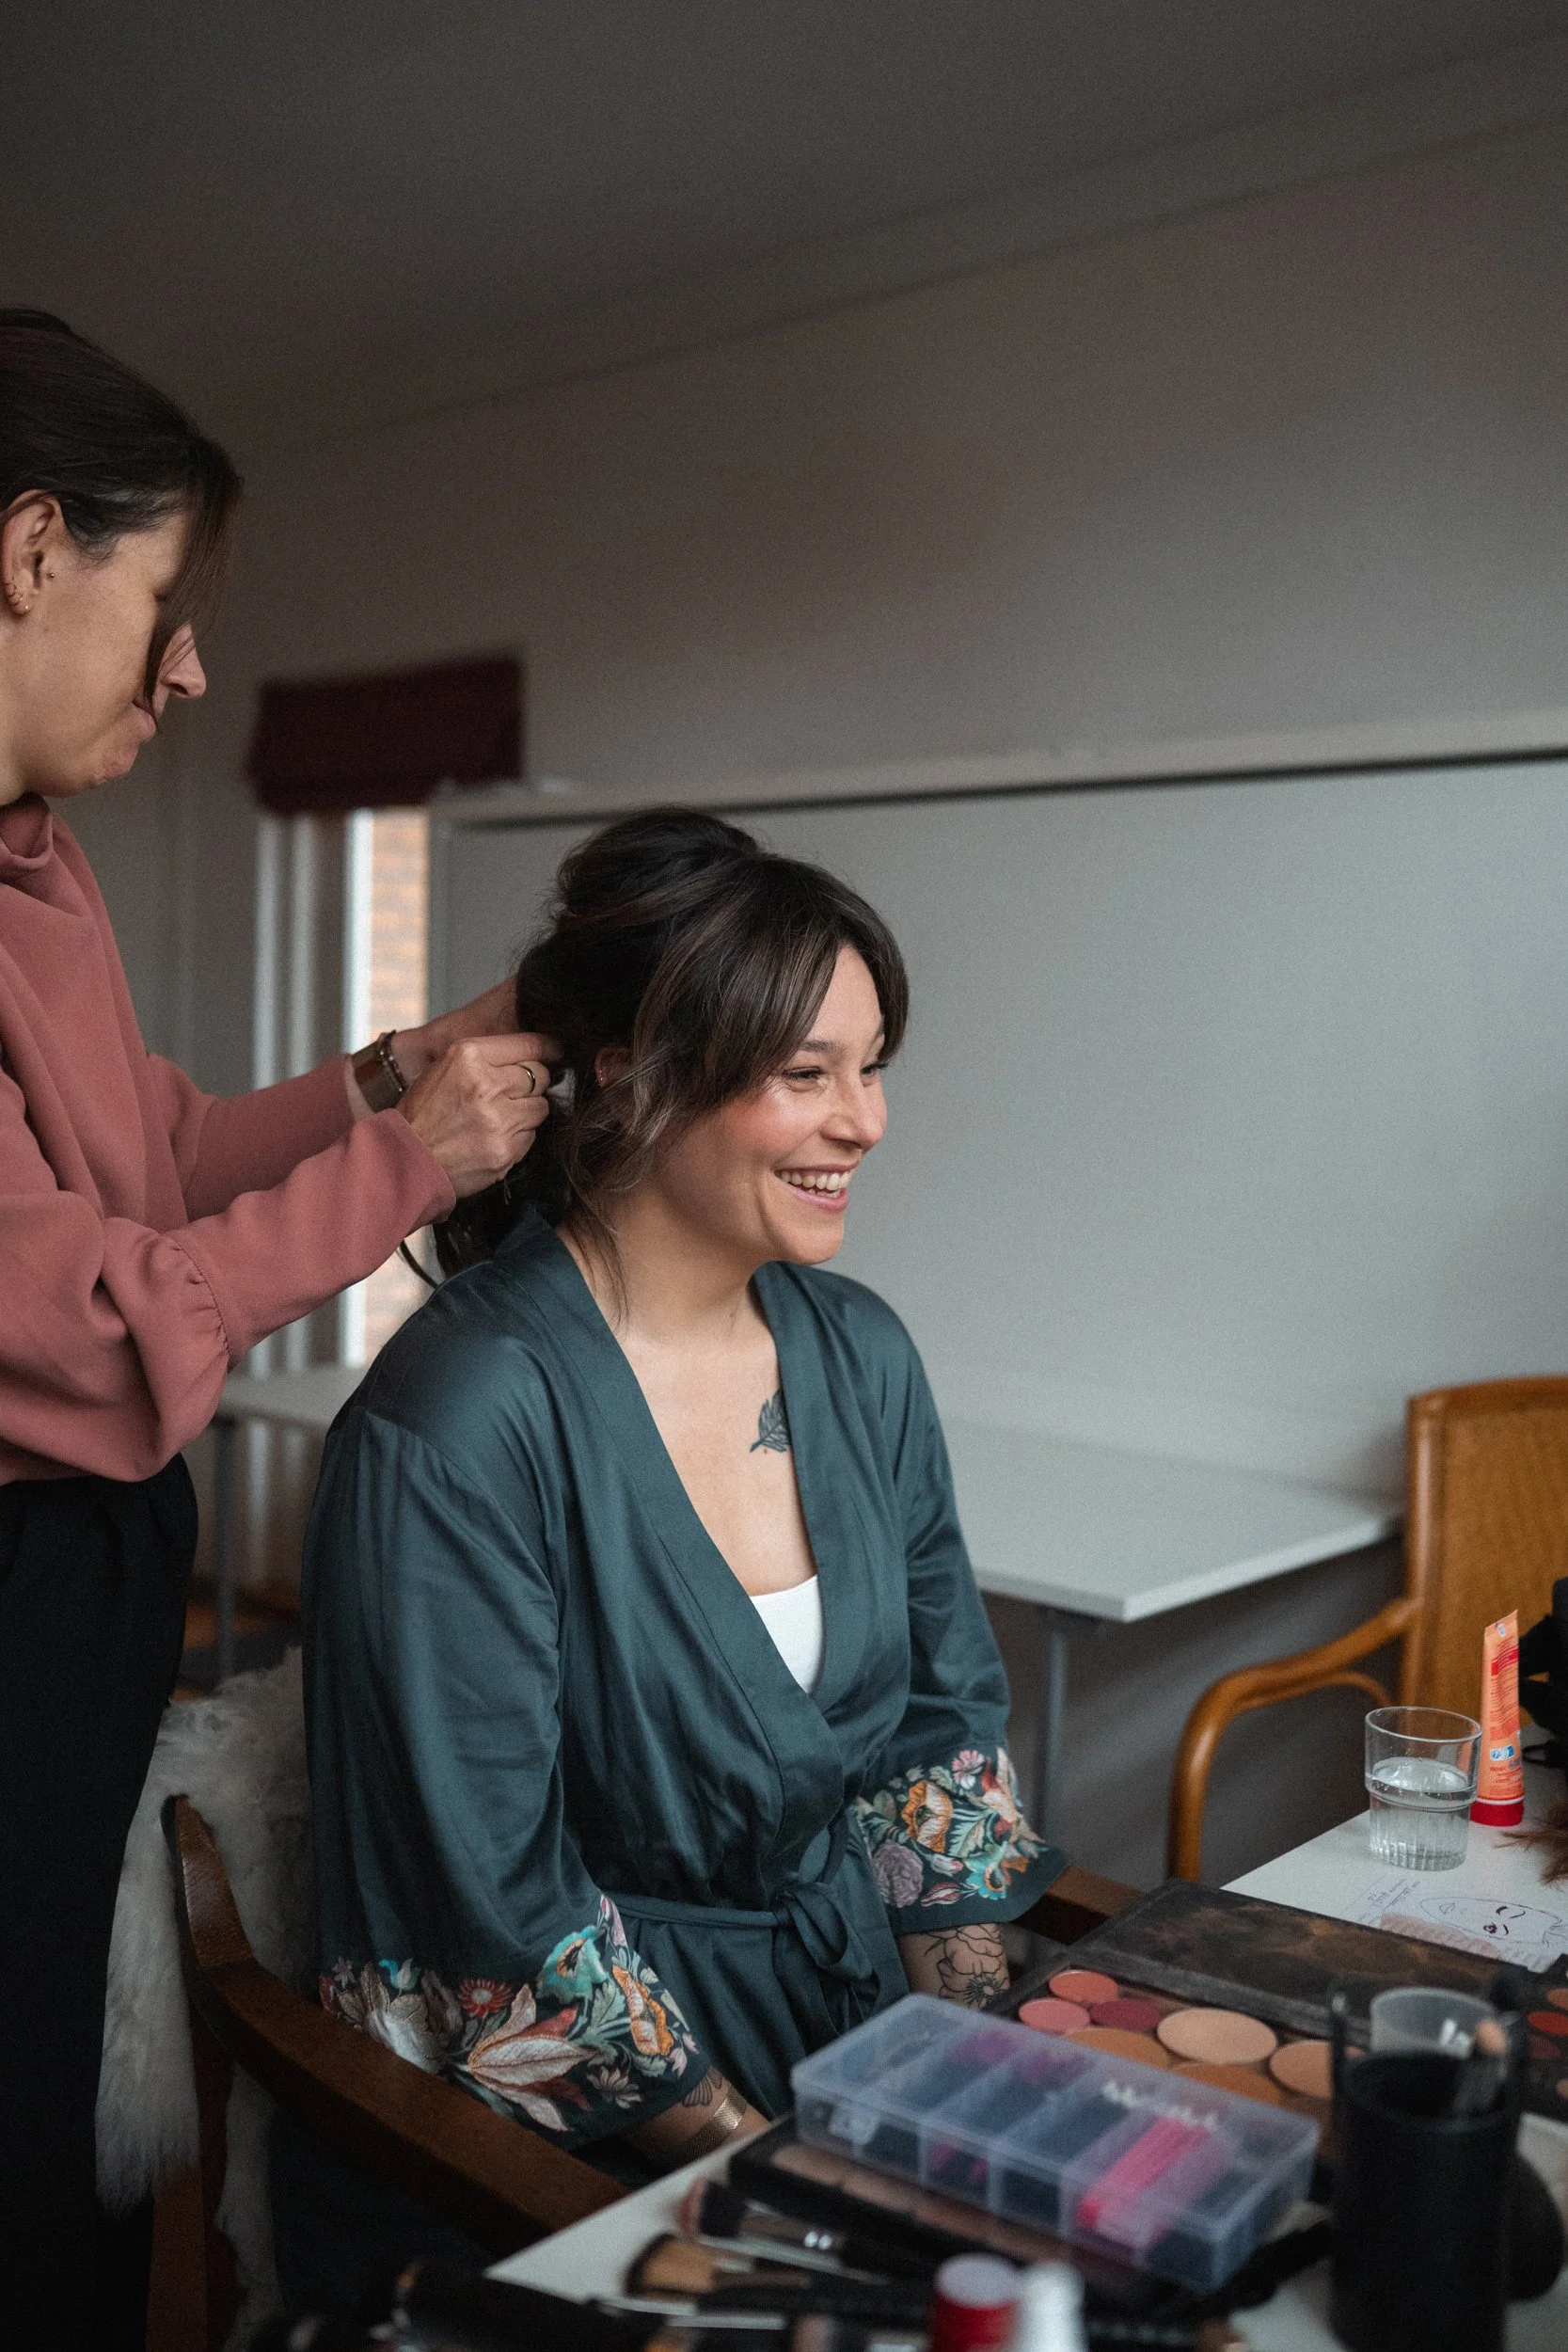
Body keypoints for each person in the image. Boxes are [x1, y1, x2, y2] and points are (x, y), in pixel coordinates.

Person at [0, 310, 553, 2347]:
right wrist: (410, 1162)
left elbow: (155, 1148)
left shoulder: (35, 872)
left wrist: (392, 1064)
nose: (193, 667)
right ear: (30, 547)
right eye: (169, 601)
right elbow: (85, 1302)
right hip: (20, 1562)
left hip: (84, 1561)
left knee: (49, 2035)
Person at [299, 808, 1066, 2240]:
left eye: (873, 1068)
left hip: (843, 2040)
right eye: (804, 1074)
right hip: (564, 2133)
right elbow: (493, 1903)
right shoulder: (461, 1419)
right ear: (630, 1075)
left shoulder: (859, 1355)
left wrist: (970, 2067)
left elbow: (932, 1733)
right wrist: (776, 2169)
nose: (867, 1121)